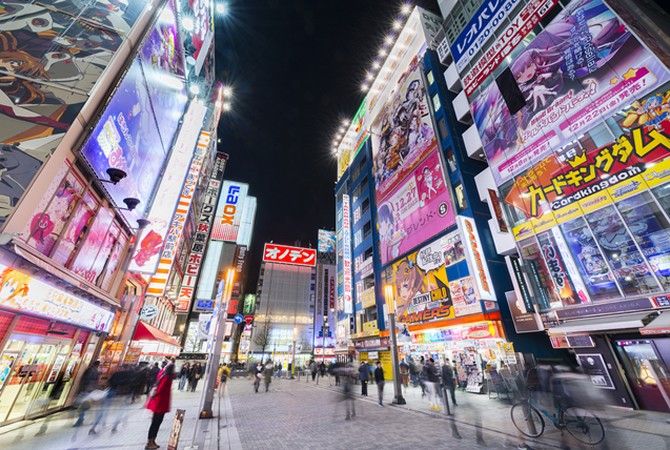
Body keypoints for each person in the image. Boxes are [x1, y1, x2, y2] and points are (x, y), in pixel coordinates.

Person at [145, 358, 176, 449]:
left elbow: (166, 372)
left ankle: (153, 441)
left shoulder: (163, 375)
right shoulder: (166, 378)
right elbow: (160, 389)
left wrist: (168, 365)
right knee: (156, 423)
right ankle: (149, 442)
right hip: (160, 403)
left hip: (159, 403)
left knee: (157, 422)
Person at [73, 360, 101, 427]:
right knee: (86, 405)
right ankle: (90, 420)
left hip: (87, 389)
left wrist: (81, 388)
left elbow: (85, 380)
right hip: (91, 389)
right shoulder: (96, 371)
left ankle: (80, 420)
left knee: (82, 405)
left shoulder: (90, 370)